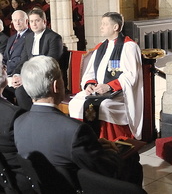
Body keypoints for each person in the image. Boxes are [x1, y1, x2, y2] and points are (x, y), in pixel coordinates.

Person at [14, 55, 143, 189]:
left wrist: (93, 146)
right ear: (56, 86)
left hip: (44, 188)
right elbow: (106, 169)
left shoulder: (18, 123)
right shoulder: (75, 130)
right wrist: (113, 153)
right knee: (132, 160)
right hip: (77, 187)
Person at [69, 12, 144, 141]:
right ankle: (83, 141)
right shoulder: (100, 47)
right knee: (75, 102)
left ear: (115, 27)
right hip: (98, 91)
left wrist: (108, 86)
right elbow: (90, 72)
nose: (101, 27)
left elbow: (131, 76)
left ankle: (110, 142)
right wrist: (89, 85)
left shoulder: (129, 47)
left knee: (104, 107)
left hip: (119, 94)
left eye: (104, 24)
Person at [13, 8, 63, 110]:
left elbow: (51, 63)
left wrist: (27, 78)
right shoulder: (29, 37)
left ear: (44, 22)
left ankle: (30, 118)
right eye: (31, 21)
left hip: (47, 77)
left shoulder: (54, 37)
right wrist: (16, 74)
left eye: (37, 21)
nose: (34, 24)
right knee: (7, 88)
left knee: (20, 91)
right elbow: (23, 59)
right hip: (30, 75)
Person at [0, 53, 35, 193]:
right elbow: (31, 155)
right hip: (16, 184)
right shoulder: (13, 115)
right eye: (2, 65)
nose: (4, 67)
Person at [3, 10, 32, 104]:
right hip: (7, 75)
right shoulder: (11, 38)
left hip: (20, 75)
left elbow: (27, 59)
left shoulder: (31, 36)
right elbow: (6, 58)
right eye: (15, 20)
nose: (17, 23)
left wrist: (17, 75)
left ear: (26, 21)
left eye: (20, 20)